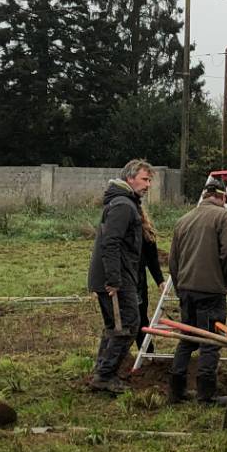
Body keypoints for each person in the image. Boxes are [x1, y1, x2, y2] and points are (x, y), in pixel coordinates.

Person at [168, 175, 227, 405]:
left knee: (187, 337)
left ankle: (176, 391)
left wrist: (181, 286)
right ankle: (206, 395)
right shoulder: (223, 216)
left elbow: (173, 260)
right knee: (210, 341)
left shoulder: (183, 220)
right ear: (221, 197)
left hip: (187, 289)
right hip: (210, 291)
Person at [85, 159, 154, 394]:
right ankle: (105, 375)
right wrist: (113, 280)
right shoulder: (124, 205)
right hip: (115, 278)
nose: (148, 185)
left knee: (115, 326)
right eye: (145, 179)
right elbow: (111, 242)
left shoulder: (123, 202)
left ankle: (101, 372)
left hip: (115, 275)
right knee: (128, 324)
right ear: (130, 178)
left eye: (150, 180)